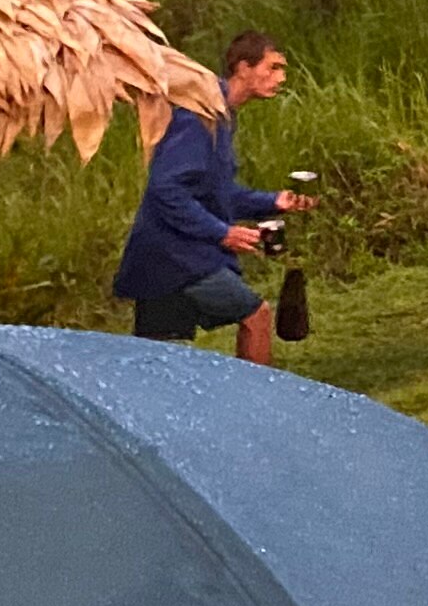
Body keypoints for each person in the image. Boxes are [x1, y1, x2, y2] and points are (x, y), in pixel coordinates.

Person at [115, 30, 301, 365]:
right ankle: (256, 405)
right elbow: (166, 189)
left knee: (161, 359)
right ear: (243, 67)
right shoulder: (199, 114)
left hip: (165, 256)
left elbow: (217, 192)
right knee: (255, 315)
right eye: (272, 68)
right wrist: (222, 233)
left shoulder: (222, 115)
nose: (281, 78)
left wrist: (273, 202)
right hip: (177, 256)